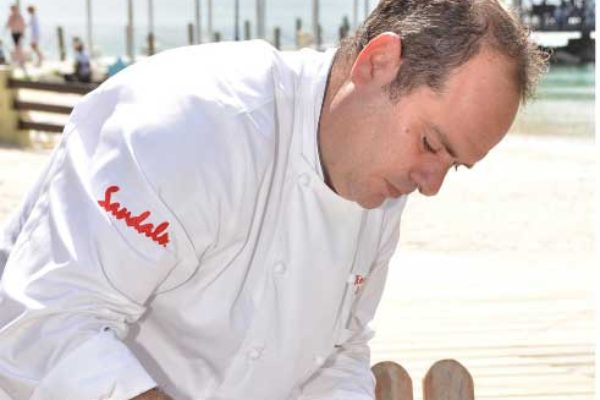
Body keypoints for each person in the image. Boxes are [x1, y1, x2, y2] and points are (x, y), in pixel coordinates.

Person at [0, 0, 546, 399]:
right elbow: (41, 329)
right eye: (431, 144)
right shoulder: (190, 127)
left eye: (454, 164)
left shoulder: (379, 179)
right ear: (378, 63)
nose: (431, 184)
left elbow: (337, 355)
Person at [4, 4, 25, 69]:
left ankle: (21, 61)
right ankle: (19, 61)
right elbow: (8, 25)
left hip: (18, 33)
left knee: (18, 47)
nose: (13, 10)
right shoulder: (11, 16)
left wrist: (23, 32)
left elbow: (22, 25)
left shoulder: (19, 16)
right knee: (17, 47)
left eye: (14, 9)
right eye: (12, 9)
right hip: (14, 33)